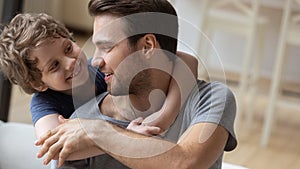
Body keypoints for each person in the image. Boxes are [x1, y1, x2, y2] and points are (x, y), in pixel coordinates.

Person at [35, 0, 237, 168]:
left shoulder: (210, 100)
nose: (95, 61)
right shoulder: (77, 126)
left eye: (106, 47)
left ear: (147, 46)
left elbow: (186, 163)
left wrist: (101, 133)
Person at [0, 12, 198, 167]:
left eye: (68, 48)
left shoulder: (98, 67)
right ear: (38, 84)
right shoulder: (44, 103)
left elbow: (188, 60)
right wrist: (121, 136)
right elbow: (57, 149)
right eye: (54, 66)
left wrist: (166, 116)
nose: (70, 63)